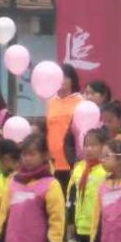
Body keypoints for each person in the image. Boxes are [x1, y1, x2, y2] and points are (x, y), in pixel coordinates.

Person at [65, 128, 108, 242]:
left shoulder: (106, 170)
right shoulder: (79, 168)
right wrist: (71, 218)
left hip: (100, 225)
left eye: (94, 145)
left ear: (104, 147)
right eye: (86, 145)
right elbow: (72, 193)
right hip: (82, 223)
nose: (89, 149)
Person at [45, 64, 83, 192]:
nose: (61, 81)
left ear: (73, 80)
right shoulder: (51, 102)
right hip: (53, 162)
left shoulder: (80, 101)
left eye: (64, 77)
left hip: (72, 161)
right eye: (58, 77)